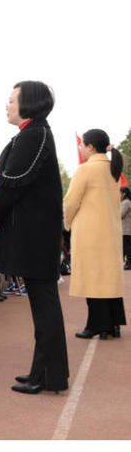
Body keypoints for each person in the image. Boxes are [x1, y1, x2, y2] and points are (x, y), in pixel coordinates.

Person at [0, 81, 69, 396]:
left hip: (36, 238)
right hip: (36, 236)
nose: (7, 106)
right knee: (44, 307)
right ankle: (45, 373)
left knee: (45, 308)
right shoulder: (33, 133)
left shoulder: (34, 134)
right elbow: (12, 184)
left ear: (28, 103)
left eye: (11, 100)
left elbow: (11, 183)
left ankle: (47, 376)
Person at [63, 132, 126, 339]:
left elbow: (71, 202)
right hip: (110, 232)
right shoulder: (113, 169)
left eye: (82, 145)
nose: (81, 148)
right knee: (108, 278)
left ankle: (97, 325)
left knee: (93, 279)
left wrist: (67, 223)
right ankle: (113, 324)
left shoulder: (85, 169)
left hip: (89, 233)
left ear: (90, 147)